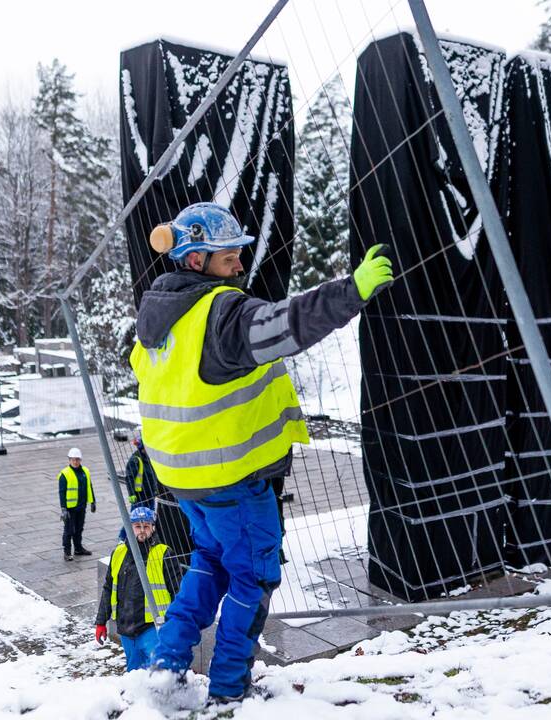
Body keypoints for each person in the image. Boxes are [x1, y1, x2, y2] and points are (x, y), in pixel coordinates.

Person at [131, 202, 393, 702]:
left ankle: (166, 664)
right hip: (233, 478)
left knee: (209, 561)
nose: (238, 263)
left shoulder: (157, 316)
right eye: (226, 255)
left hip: (184, 478)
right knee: (253, 578)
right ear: (193, 261)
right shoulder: (220, 314)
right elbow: (284, 324)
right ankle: (229, 690)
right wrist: (352, 290)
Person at [95, 506, 182, 671]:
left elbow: (177, 591)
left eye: (146, 526)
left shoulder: (163, 553)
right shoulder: (119, 552)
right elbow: (108, 588)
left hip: (153, 628)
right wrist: (101, 621)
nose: (142, 531)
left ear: (153, 528)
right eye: (137, 526)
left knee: (159, 672)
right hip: (126, 628)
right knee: (134, 674)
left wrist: (176, 625)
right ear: (130, 527)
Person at [59, 447, 95, 561]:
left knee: (79, 528)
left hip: (81, 506)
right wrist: (63, 508)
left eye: (77, 459)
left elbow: (90, 487)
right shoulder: (64, 474)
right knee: (69, 530)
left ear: (80, 460)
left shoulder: (86, 471)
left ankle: (78, 549)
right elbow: (62, 492)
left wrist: (93, 501)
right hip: (70, 508)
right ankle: (67, 551)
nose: (75, 462)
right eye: (73, 459)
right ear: (69, 460)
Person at [125, 427, 158, 507]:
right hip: (140, 496)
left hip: (151, 493)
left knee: (150, 515)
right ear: (143, 448)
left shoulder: (149, 458)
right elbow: (129, 478)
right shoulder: (135, 460)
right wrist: (132, 494)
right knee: (139, 516)